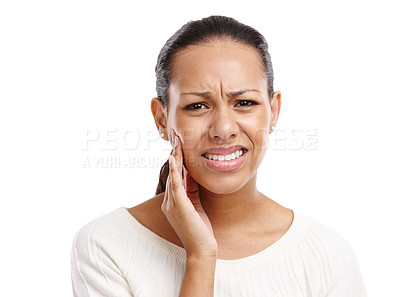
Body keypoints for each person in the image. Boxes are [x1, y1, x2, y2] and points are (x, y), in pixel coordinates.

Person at [70, 15, 368, 297]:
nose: (223, 129)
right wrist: (200, 257)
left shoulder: (325, 255)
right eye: (197, 106)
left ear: (274, 111)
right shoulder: (107, 245)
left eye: (244, 102)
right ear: (162, 119)